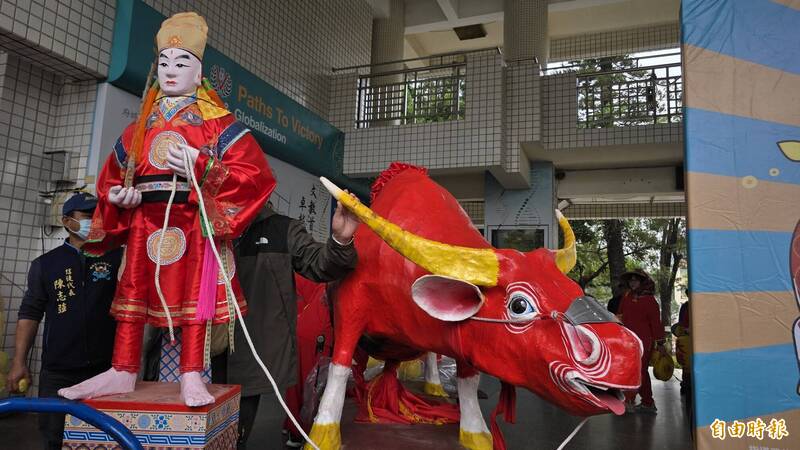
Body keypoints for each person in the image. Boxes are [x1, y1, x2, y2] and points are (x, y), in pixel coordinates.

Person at [58, 12, 276, 407]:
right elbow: (112, 176)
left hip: (193, 220)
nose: (171, 71)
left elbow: (256, 176)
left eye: (182, 63)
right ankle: (122, 369)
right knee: (134, 288)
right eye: (164, 63)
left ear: (199, 73)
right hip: (145, 220)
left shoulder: (217, 123)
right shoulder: (141, 124)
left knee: (196, 294)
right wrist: (118, 198)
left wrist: (200, 164)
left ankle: (191, 373)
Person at [212, 201, 358, 449]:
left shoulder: (281, 229)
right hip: (189, 356)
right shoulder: (194, 219)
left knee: (233, 438)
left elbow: (321, 264)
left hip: (251, 355)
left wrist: (341, 240)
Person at [6, 192, 122, 449]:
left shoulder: (115, 258)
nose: (95, 221)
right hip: (58, 372)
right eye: (88, 216)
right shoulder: (46, 264)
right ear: (67, 221)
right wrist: (18, 362)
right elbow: (30, 314)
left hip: (105, 371)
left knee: (103, 439)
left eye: (98, 216)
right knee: (54, 438)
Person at [618, 269, 667, 414]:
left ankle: (629, 401)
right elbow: (620, 316)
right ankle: (647, 402)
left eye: (636, 280)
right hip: (627, 340)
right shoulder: (626, 296)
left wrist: (660, 343)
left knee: (638, 371)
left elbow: (656, 324)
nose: (632, 283)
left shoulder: (650, 300)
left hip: (644, 341)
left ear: (642, 282)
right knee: (636, 371)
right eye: (631, 280)